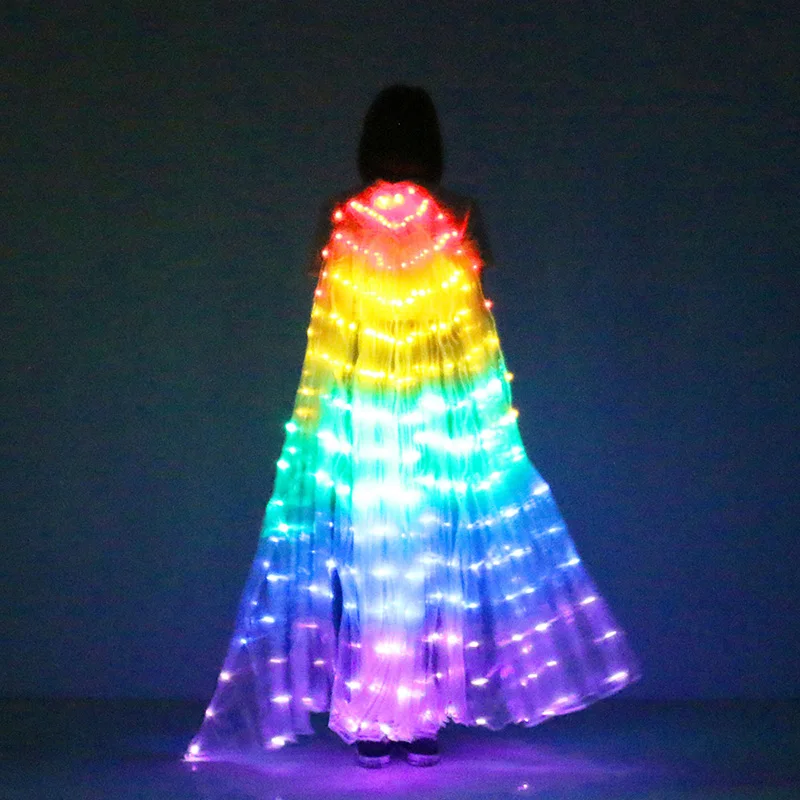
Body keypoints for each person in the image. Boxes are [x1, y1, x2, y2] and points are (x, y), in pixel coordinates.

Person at [184, 85, 640, 770]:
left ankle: (395, 719)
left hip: (385, 411)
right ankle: (399, 720)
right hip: (415, 413)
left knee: (390, 566)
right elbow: (456, 306)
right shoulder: (436, 211)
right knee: (408, 564)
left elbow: (376, 303)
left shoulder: (364, 212)